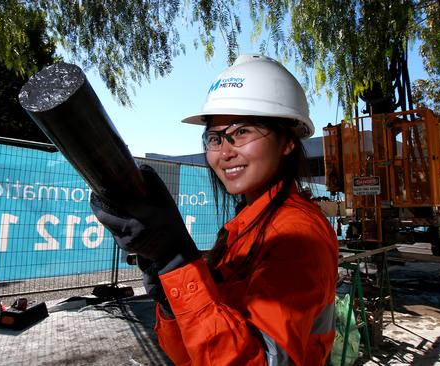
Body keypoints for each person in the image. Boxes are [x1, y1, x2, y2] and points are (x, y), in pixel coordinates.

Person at [91, 54, 338, 365]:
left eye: (242, 132)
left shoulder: (295, 235)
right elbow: (194, 354)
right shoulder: (246, 226)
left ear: (287, 142)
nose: (225, 152)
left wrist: (175, 259)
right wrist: (172, 295)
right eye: (215, 137)